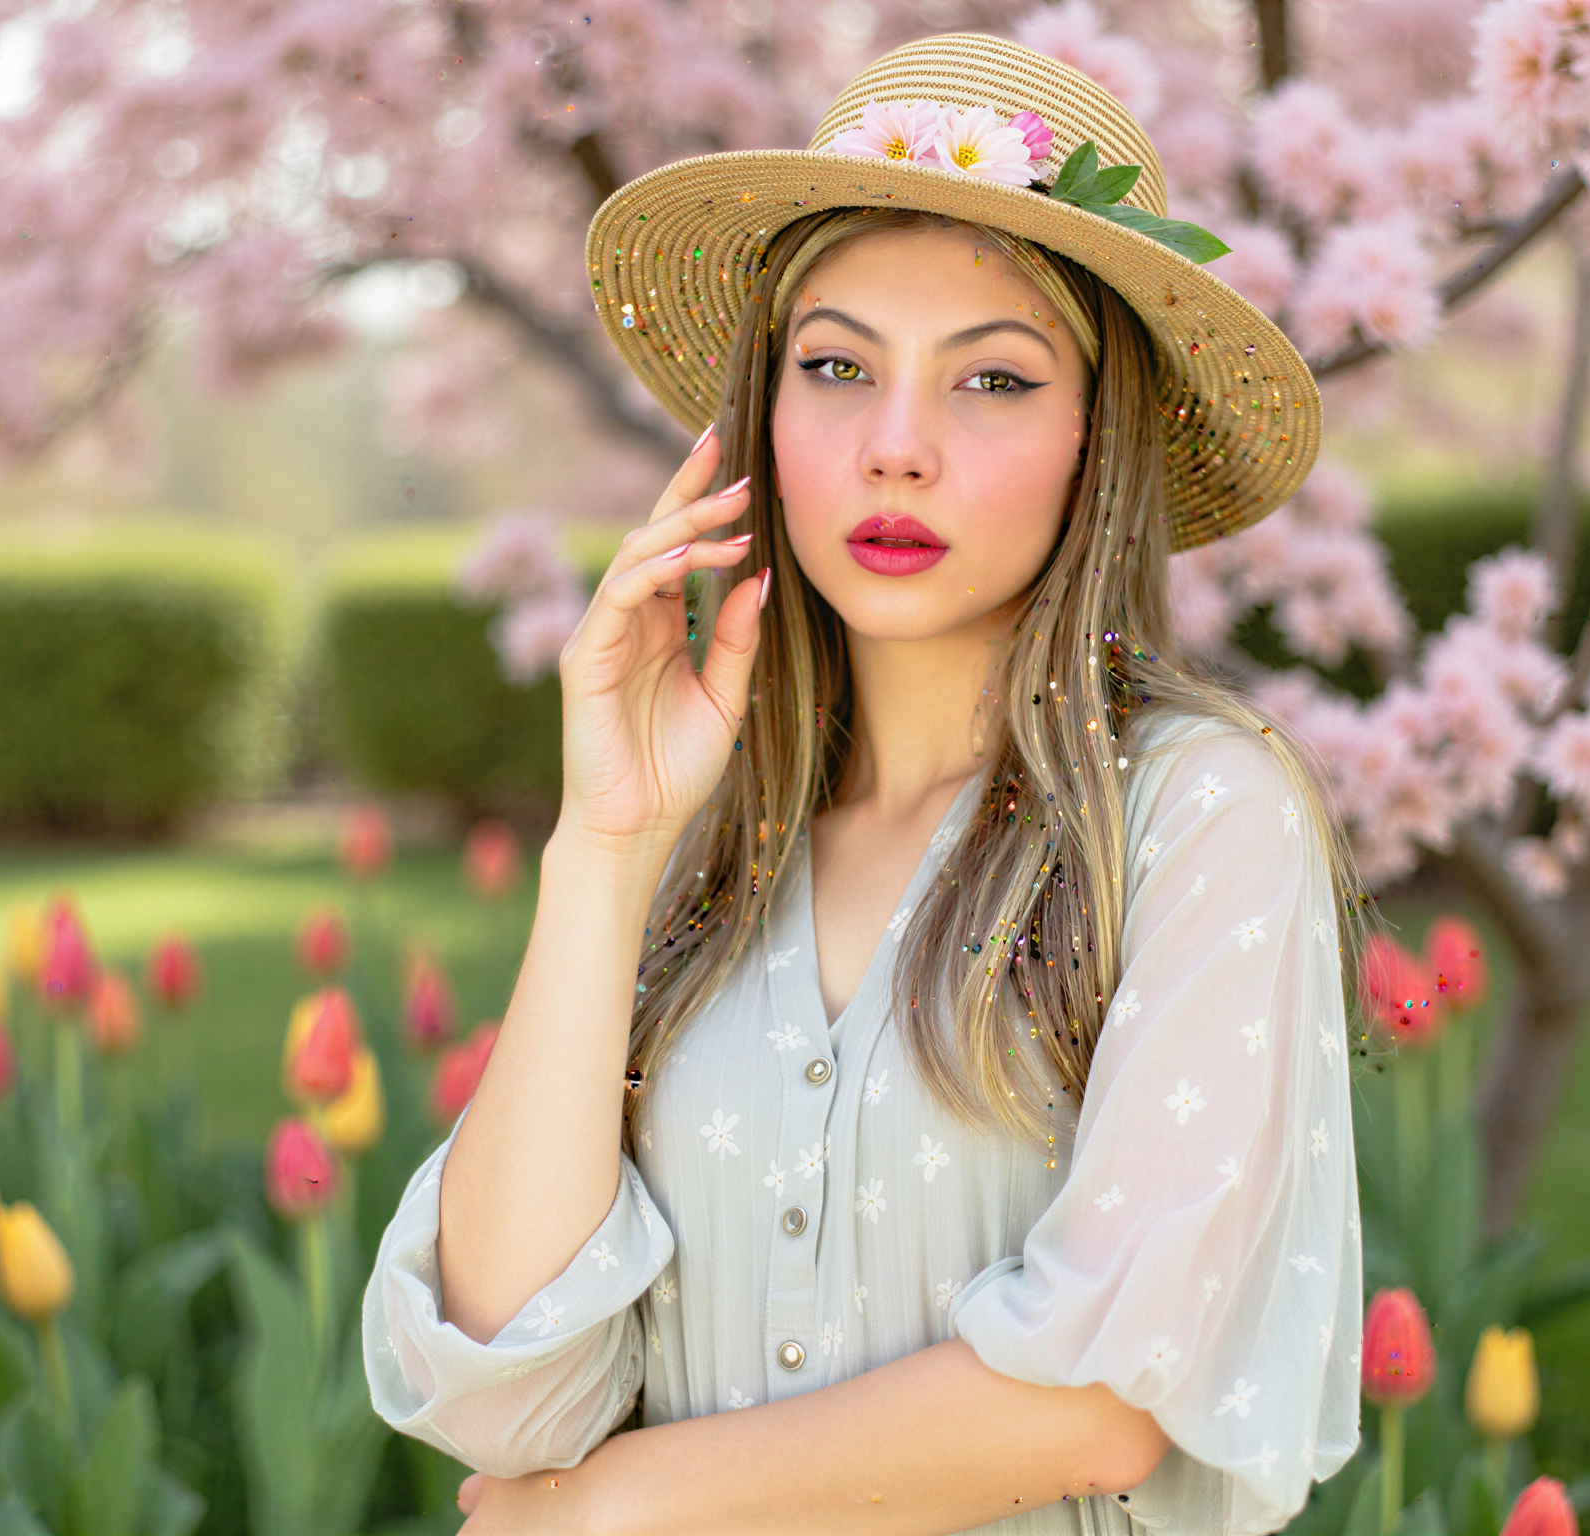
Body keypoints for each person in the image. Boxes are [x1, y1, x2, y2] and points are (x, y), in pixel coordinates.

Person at [364, 31, 1363, 1536]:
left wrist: (602, 1514)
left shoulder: (1200, 818)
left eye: (995, 381)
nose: (897, 449)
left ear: (1099, 443)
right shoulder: (705, 849)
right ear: (763, 417)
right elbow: (506, 1382)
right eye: (836, 367)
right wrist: (603, 851)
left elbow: (1101, 1402)